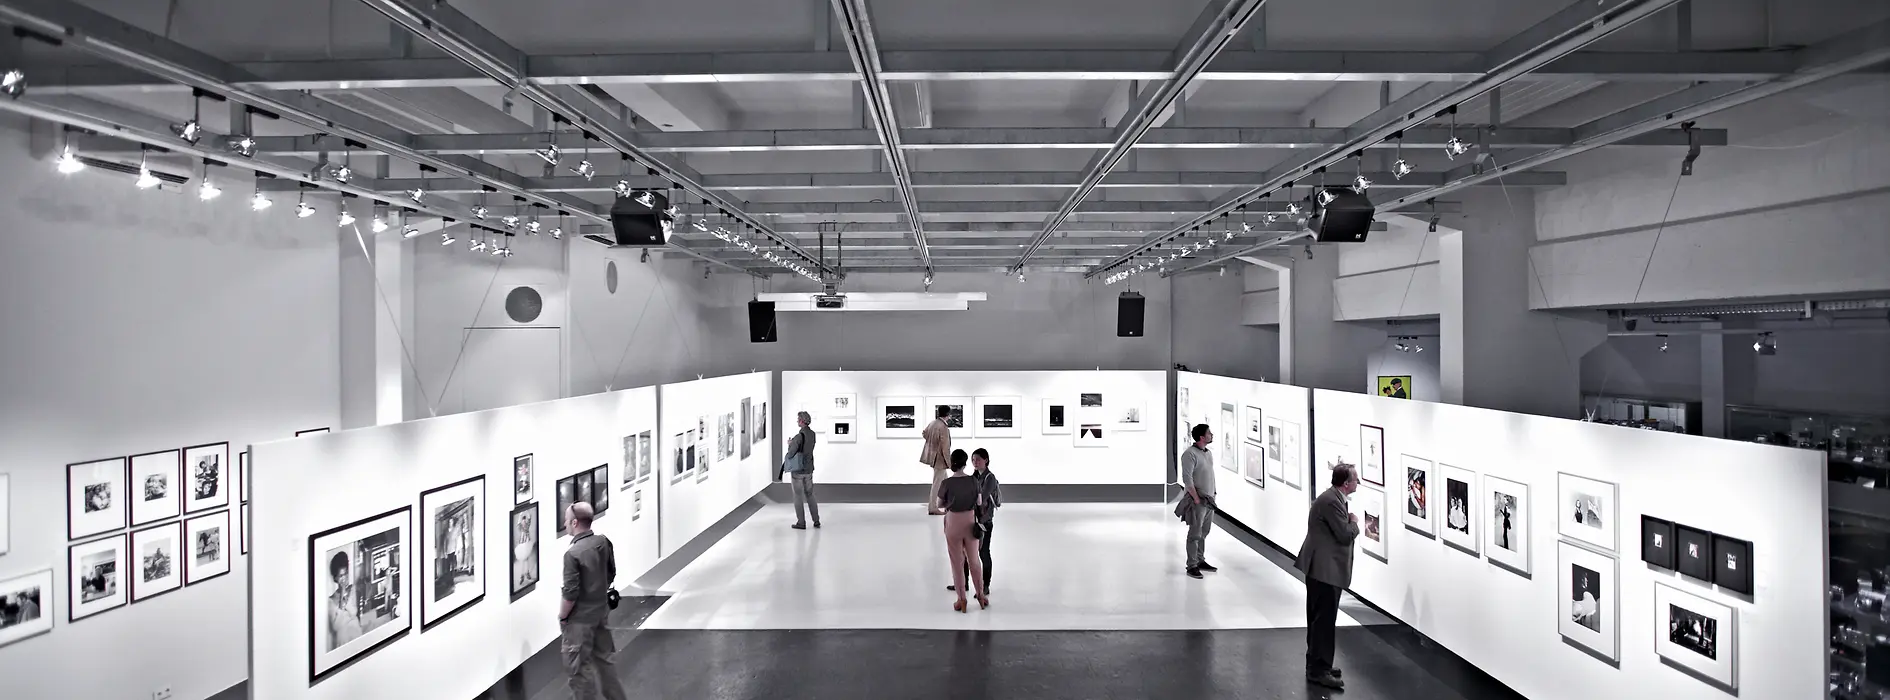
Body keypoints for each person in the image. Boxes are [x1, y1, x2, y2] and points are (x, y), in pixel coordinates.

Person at [1295, 465, 1361, 691]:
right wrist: (1354, 522)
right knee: (1323, 620)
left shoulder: (1332, 498)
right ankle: (1319, 670)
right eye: (1356, 479)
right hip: (1324, 570)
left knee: (1319, 618)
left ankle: (1318, 664)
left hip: (1322, 568)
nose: (1358, 483)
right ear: (1346, 483)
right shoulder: (1332, 502)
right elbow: (1344, 535)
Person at [560, 503, 628, 700]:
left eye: (567, 520)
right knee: (606, 663)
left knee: (580, 672)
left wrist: (563, 616)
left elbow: (570, 594)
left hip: (580, 621)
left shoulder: (572, 554)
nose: (564, 523)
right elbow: (611, 573)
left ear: (575, 522)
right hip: (600, 612)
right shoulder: (603, 542)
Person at [935, 449, 988, 612]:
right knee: (974, 560)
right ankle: (981, 596)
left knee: (957, 562)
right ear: (965, 463)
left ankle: (961, 600)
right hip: (970, 521)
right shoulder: (974, 481)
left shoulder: (946, 483)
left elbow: (939, 504)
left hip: (953, 522)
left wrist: (950, 503)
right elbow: (979, 502)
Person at [947, 448, 1001, 594]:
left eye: (978, 459)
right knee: (965, 553)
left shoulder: (990, 478)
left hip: (984, 522)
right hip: (973, 520)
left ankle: (985, 586)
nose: (975, 462)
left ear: (986, 460)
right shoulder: (974, 477)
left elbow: (981, 498)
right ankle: (963, 584)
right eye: (973, 460)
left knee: (983, 553)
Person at [1178, 423, 1219, 579]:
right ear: (1202, 437)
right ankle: (1192, 565)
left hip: (1209, 500)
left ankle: (1200, 559)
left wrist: (1214, 493)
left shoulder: (1208, 453)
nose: (1211, 435)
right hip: (1198, 501)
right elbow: (1187, 479)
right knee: (1195, 533)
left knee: (1204, 531)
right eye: (1209, 433)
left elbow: (1210, 475)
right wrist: (1196, 499)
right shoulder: (1189, 454)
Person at [785, 410, 820, 530]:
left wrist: (790, 444)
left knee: (798, 496)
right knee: (810, 494)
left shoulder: (799, 437)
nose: (797, 421)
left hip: (798, 470)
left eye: (798, 419)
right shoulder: (812, 434)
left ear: (801, 421)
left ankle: (801, 522)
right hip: (809, 469)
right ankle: (816, 520)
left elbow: (791, 454)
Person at [920, 405, 954, 515]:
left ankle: (949, 503)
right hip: (940, 459)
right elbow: (945, 447)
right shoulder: (943, 427)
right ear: (948, 414)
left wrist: (933, 444)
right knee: (937, 483)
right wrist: (950, 462)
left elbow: (924, 433)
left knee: (946, 482)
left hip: (935, 457)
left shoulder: (933, 423)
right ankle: (932, 507)